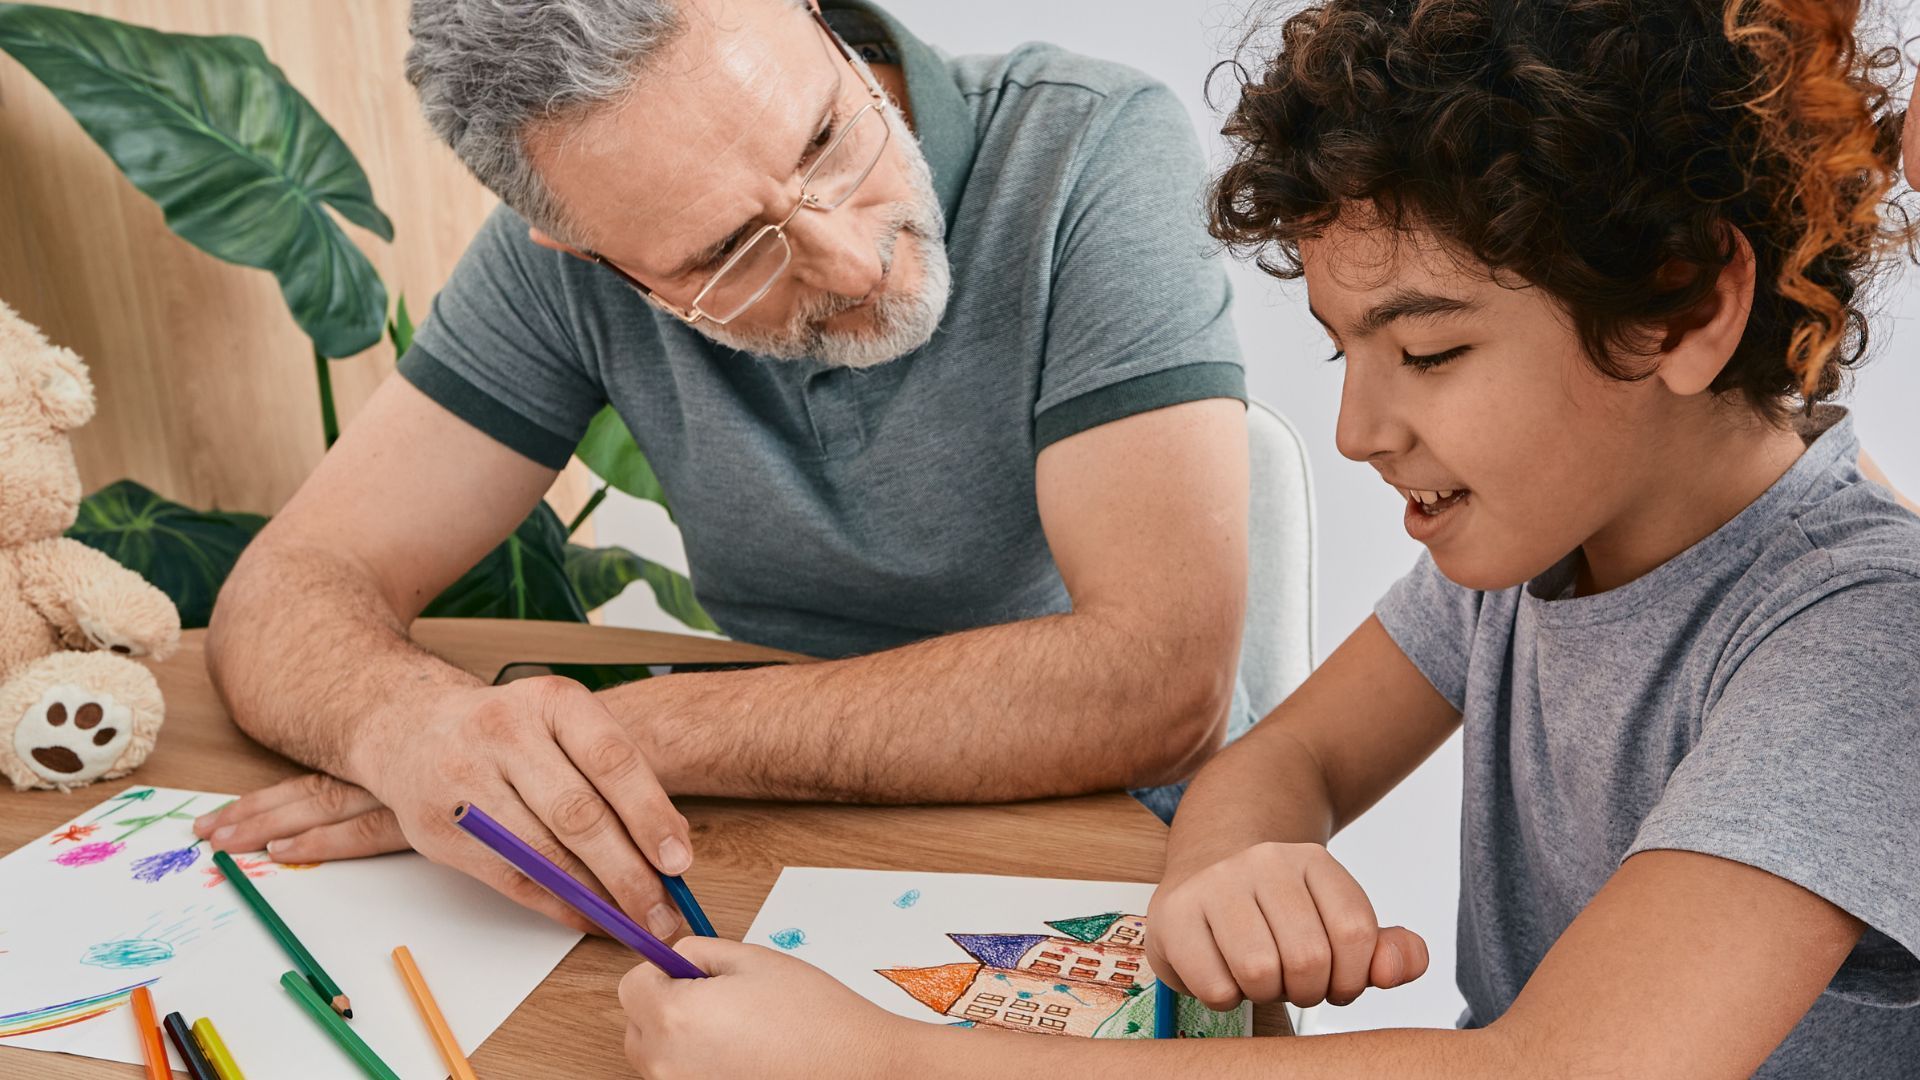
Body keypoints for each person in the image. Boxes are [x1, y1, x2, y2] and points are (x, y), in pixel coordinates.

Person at [612, 1, 1920, 1075]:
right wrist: (1238, 863)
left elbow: (1559, 1069)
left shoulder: (1866, 643)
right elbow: (1277, 760)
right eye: (1344, 352)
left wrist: (881, 1058)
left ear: (1682, 306)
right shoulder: (1542, 555)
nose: (1355, 429)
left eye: (1429, 350)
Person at [194, 0, 1256, 938]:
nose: (854, 260)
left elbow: (1159, 684)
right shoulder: (561, 261)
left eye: (829, 138)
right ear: (588, 253)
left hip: (1123, 845)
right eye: (724, 254)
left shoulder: (1090, 142)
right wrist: (412, 730)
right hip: (778, 842)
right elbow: (291, 586)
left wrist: (603, 740)